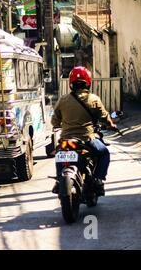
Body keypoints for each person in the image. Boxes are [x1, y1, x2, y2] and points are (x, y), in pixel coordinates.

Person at [51, 66, 117, 196]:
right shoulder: (93, 99)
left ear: (71, 83)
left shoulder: (63, 99)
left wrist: (60, 124)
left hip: (66, 139)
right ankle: (98, 180)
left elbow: (54, 121)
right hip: (87, 139)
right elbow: (104, 117)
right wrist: (111, 125)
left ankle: (59, 180)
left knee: (60, 154)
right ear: (88, 82)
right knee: (104, 153)